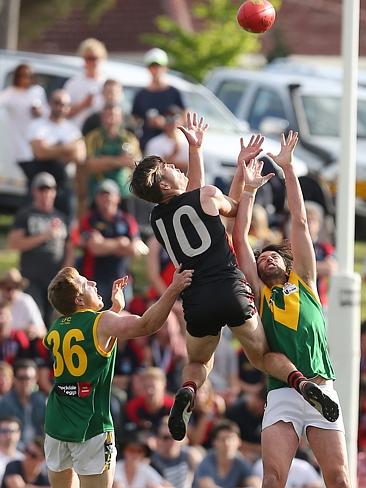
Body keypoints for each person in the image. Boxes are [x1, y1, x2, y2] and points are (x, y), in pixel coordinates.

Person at [130, 113, 339, 442]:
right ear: (166, 184)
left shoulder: (157, 218)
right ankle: (301, 382)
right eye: (172, 168)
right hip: (231, 287)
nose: (178, 166)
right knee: (263, 357)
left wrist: (195, 148)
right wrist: (246, 179)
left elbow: (192, 197)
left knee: (199, 360)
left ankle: (187, 390)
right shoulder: (208, 194)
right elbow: (235, 210)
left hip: (196, 297)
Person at [232, 132, 350, 487]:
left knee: (339, 477)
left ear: (287, 263)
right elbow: (239, 239)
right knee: (273, 477)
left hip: (321, 385)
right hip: (283, 389)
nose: (264, 258)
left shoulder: (305, 281)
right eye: (260, 256)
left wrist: (287, 169)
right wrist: (248, 189)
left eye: (271, 255)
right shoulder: (260, 292)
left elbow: (299, 220)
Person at [43, 264, 193, 488]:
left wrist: (115, 308)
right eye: (86, 283)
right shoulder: (101, 322)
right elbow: (146, 324)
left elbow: (90, 338)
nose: (93, 283)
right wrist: (173, 289)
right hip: (91, 424)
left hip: (56, 423)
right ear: (79, 301)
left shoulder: (56, 327)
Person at [7, 172, 73, 327]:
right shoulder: (26, 215)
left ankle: (50, 352)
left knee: (56, 322)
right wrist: (44, 236)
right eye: (42, 188)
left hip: (56, 281)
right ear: (34, 191)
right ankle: (35, 351)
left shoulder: (62, 217)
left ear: (55, 191)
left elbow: (69, 247)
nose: (46, 193)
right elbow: (13, 243)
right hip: (31, 279)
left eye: (49, 188)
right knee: (35, 320)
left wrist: (66, 274)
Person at [78, 178, 148, 308]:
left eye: (109, 194)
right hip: (95, 281)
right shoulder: (89, 219)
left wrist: (104, 243)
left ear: (117, 197)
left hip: (122, 279)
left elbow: (134, 249)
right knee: (97, 319)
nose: (105, 198)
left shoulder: (127, 220)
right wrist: (121, 243)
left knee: (122, 319)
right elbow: (94, 248)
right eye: (101, 194)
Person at [26, 89, 86, 222]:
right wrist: (67, 149)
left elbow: (79, 155)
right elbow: (39, 153)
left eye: (64, 104)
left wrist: (50, 148)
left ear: (68, 107)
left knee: (65, 223)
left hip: (63, 185)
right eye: (57, 102)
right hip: (40, 183)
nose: (60, 107)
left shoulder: (73, 129)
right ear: (50, 103)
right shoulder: (37, 126)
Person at [131, 48, 185, 151]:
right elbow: (134, 119)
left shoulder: (174, 92)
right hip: (147, 143)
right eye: (152, 66)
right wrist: (147, 122)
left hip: (172, 143)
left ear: (165, 68)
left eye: (158, 66)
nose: (155, 70)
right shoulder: (141, 95)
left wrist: (167, 123)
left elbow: (185, 116)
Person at [0, 63, 47, 167]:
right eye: (23, 76)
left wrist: (39, 112)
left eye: (29, 76)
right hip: (21, 143)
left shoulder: (37, 91)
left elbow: (46, 113)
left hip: (38, 141)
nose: (26, 79)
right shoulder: (11, 93)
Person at [192, 419, 261, 488]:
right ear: (214, 442)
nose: (227, 443)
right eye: (223, 439)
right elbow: (206, 485)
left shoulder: (240, 461)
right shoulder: (207, 460)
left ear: (239, 442)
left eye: (231, 439)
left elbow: (256, 482)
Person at [0, 359, 46, 450]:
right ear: (14, 379)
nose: (26, 382)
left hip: (39, 452)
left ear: (36, 379)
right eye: (22, 378)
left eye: (30, 378)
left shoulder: (41, 400)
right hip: (13, 451)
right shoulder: (4, 403)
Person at [64, 38, 107, 129]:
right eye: (89, 58)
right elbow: (64, 112)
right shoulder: (73, 83)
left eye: (95, 58)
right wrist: (83, 104)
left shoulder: (107, 83)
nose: (93, 62)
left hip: (100, 136)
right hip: (77, 133)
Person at [0, 268, 46, 338]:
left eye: (16, 287)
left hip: (22, 346)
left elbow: (42, 330)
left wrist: (32, 331)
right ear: (2, 287)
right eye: (8, 288)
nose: (12, 292)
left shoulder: (26, 301)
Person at [0, 416, 23, 484]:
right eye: (4, 431)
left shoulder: (24, 459)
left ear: (19, 433)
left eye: (12, 431)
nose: (8, 435)